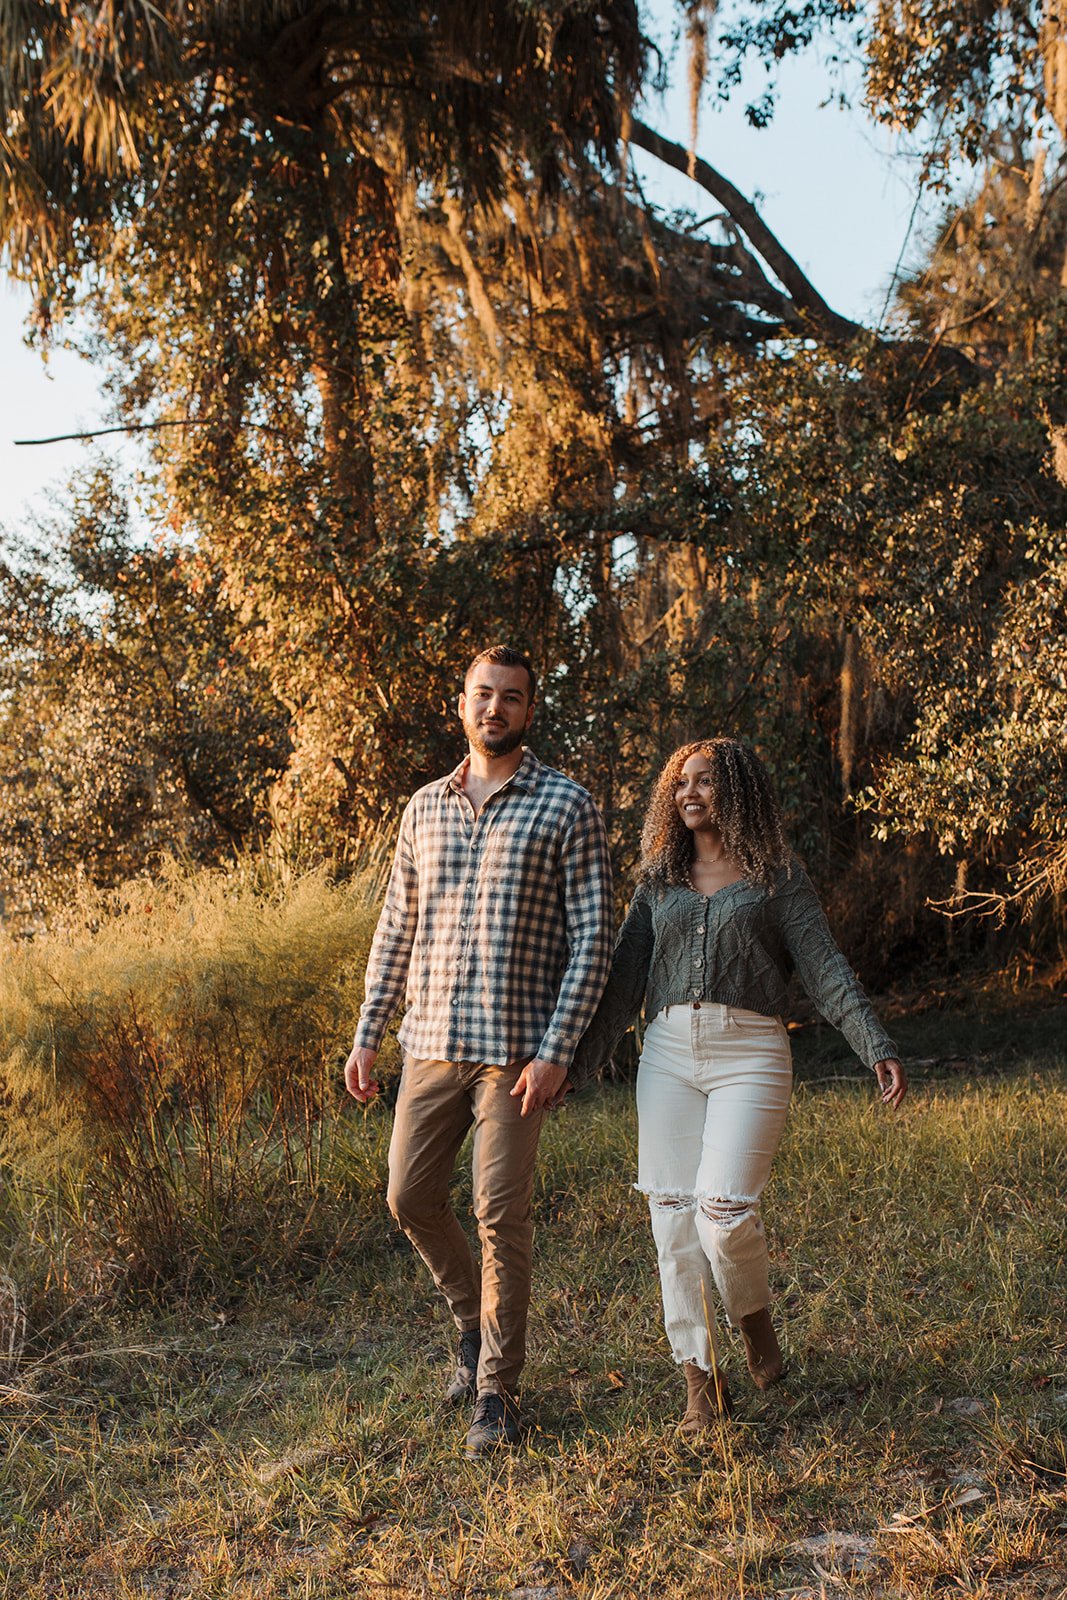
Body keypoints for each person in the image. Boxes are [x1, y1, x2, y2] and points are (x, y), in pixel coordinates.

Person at [572, 737, 906, 1434]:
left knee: (721, 1215)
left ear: (739, 792)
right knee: (672, 1221)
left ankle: (753, 1323)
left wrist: (872, 1043)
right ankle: (701, 1383)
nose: (689, 793)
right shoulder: (658, 882)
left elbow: (821, 966)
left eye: (706, 782)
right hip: (665, 1053)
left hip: (750, 1053)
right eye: (680, 783)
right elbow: (622, 981)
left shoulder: (776, 877)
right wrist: (572, 1065)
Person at [343, 645, 613, 1454]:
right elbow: (397, 925)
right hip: (428, 1041)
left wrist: (558, 1049)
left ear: (529, 712)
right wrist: (367, 1033)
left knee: (500, 1213)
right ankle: (472, 1328)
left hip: (515, 1053)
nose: (494, 709)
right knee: (408, 1198)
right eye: (482, 695)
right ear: (460, 704)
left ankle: (496, 1391)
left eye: (511, 698)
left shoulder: (566, 804)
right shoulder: (423, 807)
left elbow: (593, 936)